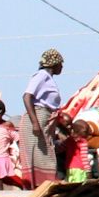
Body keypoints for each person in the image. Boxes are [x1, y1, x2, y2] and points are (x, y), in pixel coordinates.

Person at [21, 48, 67, 185]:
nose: (62, 67)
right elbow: (27, 96)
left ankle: (44, 184)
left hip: (45, 118)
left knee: (46, 152)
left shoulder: (48, 79)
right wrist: (35, 122)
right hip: (38, 116)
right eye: (60, 64)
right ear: (54, 64)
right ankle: (38, 185)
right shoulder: (41, 75)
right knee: (40, 154)